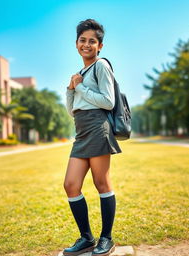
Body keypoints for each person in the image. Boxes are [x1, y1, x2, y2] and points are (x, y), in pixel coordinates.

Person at [63, 18, 122, 256]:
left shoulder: (101, 66)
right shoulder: (79, 73)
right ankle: (86, 238)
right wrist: (70, 89)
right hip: (81, 130)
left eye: (92, 41)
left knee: (101, 183)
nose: (86, 44)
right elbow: (72, 110)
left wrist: (80, 88)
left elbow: (108, 101)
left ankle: (106, 238)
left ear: (100, 45)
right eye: (82, 40)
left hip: (98, 127)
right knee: (71, 184)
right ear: (76, 43)